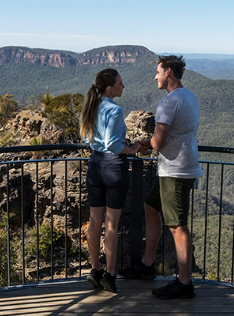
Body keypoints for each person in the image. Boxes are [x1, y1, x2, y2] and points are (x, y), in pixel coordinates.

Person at [118, 55, 203, 299]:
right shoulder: (190, 96)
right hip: (179, 167)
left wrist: (146, 144)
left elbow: (159, 141)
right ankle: (146, 266)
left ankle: (184, 283)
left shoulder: (168, 103)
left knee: (177, 227)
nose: (155, 76)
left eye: (157, 72)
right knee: (150, 208)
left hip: (175, 171)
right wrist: (151, 142)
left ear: (168, 72)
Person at [80, 68, 142, 293]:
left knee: (94, 222)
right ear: (110, 88)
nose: (123, 86)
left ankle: (95, 269)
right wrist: (134, 148)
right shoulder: (114, 110)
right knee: (111, 225)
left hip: (94, 165)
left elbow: (89, 139)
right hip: (113, 167)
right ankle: (110, 274)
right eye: (120, 83)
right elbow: (114, 145)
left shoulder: (91, 106)